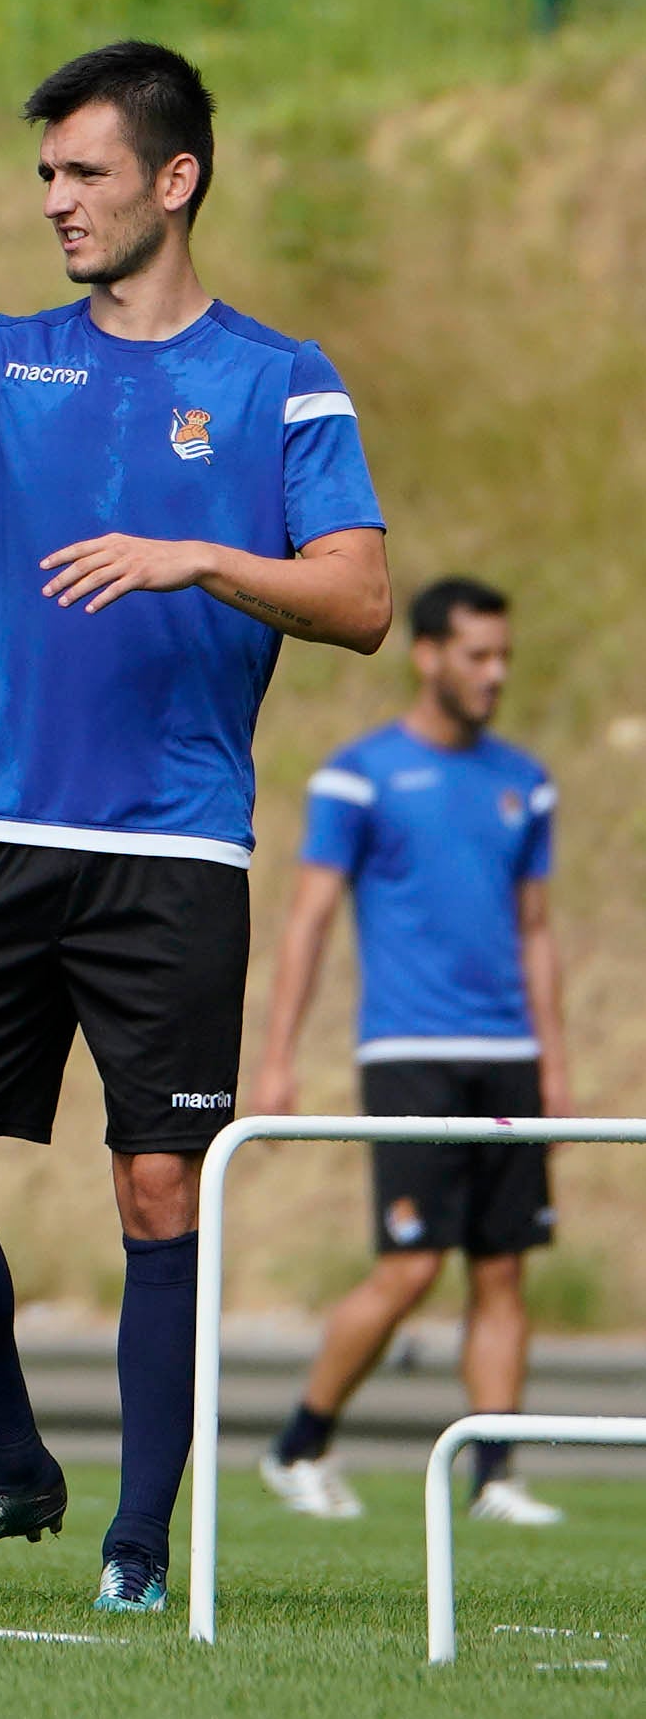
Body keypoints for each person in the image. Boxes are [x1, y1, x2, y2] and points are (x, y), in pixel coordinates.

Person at [0, 40, 390, 1616]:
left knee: (160, 1193)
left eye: (86, 174)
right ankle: (8, 1467)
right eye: (48, 177)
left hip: (175, 855)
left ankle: (141, 1552)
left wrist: (199, 557)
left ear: (175, 179)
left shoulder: (282, 378)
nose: (58, 201)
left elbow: (359, 597)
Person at [251, 577, 571, 1527]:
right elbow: (308, 921)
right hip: (410, 1055)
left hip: (508, 1051)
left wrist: (555, 1065)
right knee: (411, 1266)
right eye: (477, 655)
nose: (494, 674)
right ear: (427, 654)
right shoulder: (360, 777)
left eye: (503, 656)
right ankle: (299, 1443)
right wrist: (277, 1059)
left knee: (504, 1266)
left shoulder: (526, 781)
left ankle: (496, 1476)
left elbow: (539, 931)